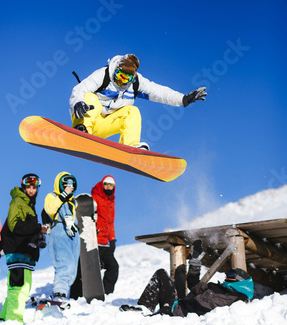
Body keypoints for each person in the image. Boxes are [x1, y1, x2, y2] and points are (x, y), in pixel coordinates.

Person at [70, 54, 207, 150]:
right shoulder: (104, 74)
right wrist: (78, 101)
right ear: (115, 71)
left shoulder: (136, 83)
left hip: (105, 125)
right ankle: (82, 131)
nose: (121, 82)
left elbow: (158, 91)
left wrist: (183, 99)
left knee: (133, 111)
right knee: (90, 97)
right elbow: (80, 88)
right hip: (86, 119)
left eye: (126, 79)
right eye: (120, 76)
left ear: (132, 79)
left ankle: (130, 147)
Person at [120, 241, 254, 316]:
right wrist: (195, 261)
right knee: (161, 274)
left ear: (240, 282)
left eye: (230, 275)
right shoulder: (216, 288)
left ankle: (151, 313)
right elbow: (194, 285)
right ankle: (144, 308)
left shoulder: (236, 302)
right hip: (178, 306)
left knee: (162, 275)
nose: (226, 277)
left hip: (179, 312)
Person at [0, 174, 48, 323]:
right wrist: (37, 227)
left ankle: (4, 317)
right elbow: (14, 226)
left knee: (21, 286)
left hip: (25, 252)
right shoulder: (17, 202)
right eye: (28, 187)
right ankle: (13, 319)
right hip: (17, 250)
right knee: (19, 286)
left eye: (34, 187)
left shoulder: (28, 204)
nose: (31, 190)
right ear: (23, 187)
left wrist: (38, 232)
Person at [44, 172, 80, 299]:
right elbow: (50, 209)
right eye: (66, 184)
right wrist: (62, 195)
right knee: (64, 263)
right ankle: (59, 291)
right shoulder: (53, 196)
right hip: (60, 229)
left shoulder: (72, 202)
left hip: (72, 233)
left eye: (71, 185)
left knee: (72, 265)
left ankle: (64, 291)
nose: (69, 187)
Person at [91, 175, 119, 294]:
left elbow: (110, 223)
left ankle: (106, 292)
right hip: (94, 240)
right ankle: (89, 291)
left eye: (111, 185)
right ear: (102, 184)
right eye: (106, 184)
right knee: (94, 267)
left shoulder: (111, 202)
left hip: (105, 244)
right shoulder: (95, 197)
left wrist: (112, 239)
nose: (108, 187)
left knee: (113, 267)